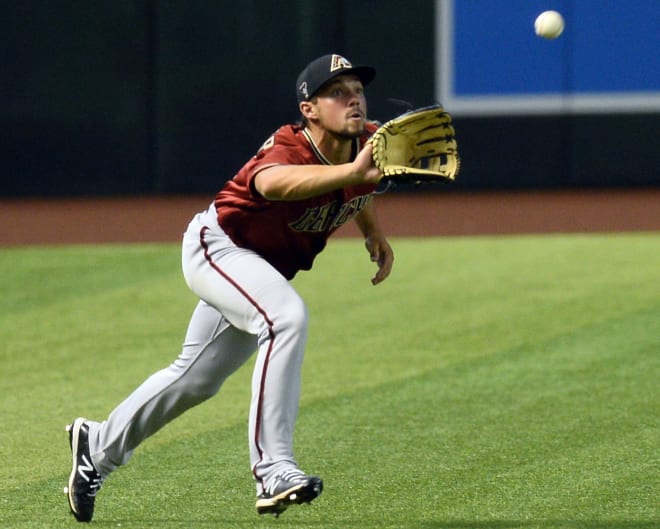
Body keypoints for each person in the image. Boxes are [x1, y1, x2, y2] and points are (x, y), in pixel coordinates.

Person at [64, 53, 394, 522]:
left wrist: (371, 232)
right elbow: (274, 183)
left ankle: (95, 447)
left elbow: (357, 187)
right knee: (285, 319)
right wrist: (354, 175)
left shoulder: (363, 144)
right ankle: (274, 468)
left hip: (260, 269)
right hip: (218, 248)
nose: (353, 98)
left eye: (357, 90)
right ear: (310, 110)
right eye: (337, 92)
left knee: (196, 378)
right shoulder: (289, 146)